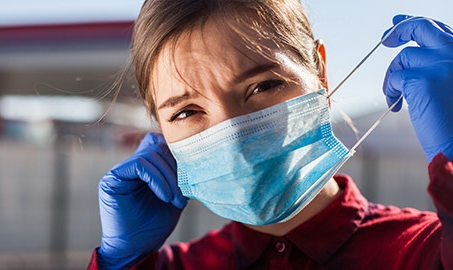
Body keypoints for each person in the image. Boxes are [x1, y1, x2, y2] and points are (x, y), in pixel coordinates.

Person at [88, 0, 453, 269]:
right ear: (160, 131)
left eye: (263, 86)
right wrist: (119, 264)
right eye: (186, 111)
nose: (232, 134)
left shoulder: (424, 252)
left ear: (320, 75)